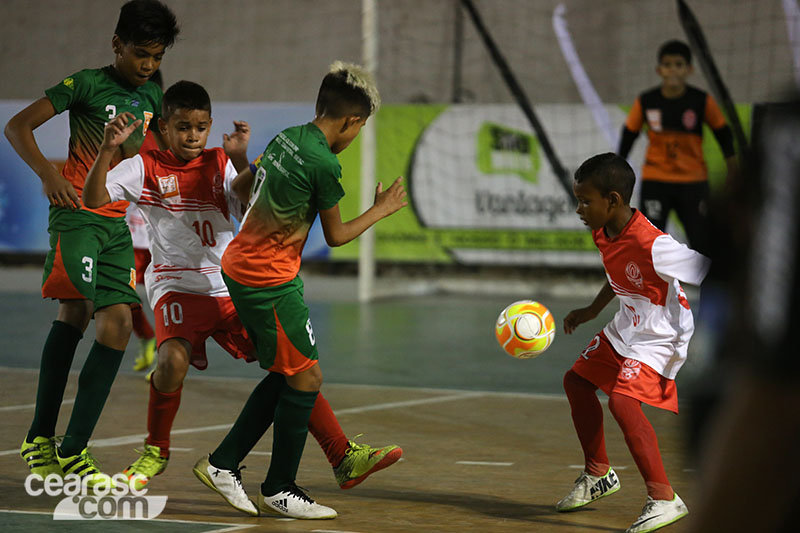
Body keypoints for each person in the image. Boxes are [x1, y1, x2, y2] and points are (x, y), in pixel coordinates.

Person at [83, 80, 402, 495]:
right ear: (163, 127)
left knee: (290, 369)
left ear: (209, 126)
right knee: (172, 361)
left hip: (225, 284)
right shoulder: (144, 167)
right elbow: (93, 198)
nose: (192, 136)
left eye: (200, 127)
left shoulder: (220, 162)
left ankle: (339, 453)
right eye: (182, 127)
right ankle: (157, 449)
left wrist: (239, 160)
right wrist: (108, 149)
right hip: (175, 284)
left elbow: (247, 198)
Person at [192, 61, 407, 520]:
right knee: (305, 377)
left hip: (246, 266)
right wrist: (380, 209)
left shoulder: (289, 136)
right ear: (351, 121)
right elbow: (337, 235)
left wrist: (237, 171)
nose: (355, 138)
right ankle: (279, 487)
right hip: (265, 279)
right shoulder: (324, 164)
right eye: (360, 129)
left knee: (291, 374)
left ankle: (229, 462)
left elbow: (247, 187)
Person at [4, 0, 179, 488]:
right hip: (77, 218)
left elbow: (134, 165)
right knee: (76, 309)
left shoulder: (148, 103)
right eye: (141, 54)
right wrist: (47, 173)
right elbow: (17, 125)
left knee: (120, 324)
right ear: (116, 45)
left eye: (157, 58)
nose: (148, 65)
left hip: (115, 224)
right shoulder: (84, 83)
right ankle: (40, 435)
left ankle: (75, 449)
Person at [556, 153, 710, 532]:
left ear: (613, 200)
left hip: (662, 334)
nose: (579, 209)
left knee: (623, 402)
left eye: (585, 201)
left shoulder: (655, 245)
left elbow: (710, 271)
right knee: (576, 383)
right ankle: (598, 475)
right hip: (629, 322)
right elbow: (617, 271)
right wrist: (592, 310)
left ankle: (663, 498)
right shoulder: (602, 230)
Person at [617, 39, 736, 256]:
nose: (673, 70)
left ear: (689, 70)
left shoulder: (701, 101)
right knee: (649, 242)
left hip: (693, 182)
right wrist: (616, 170)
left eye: (679, 65)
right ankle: (654, 289)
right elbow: (628, 135)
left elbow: (723, 134)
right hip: (656, 180)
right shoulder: (646, 100)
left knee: (702, 241)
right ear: (659, 70)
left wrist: (733, 168)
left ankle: (708, 288)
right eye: (668, 65)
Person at [128, 69, 163, 376]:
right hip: (129, 233)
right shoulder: (123, 132)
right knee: (121, 295)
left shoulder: (168, 136)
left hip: (161, 234)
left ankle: (166, 359)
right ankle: (147, 338)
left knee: (167, 296)